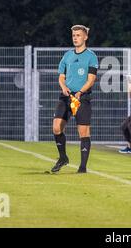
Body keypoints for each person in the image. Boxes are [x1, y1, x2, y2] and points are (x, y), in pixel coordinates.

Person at [51, 24, 98, 173]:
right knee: (56, 127)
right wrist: (64, 87)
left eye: (78, 35)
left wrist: (80, 92)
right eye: (73, 36)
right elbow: (61, 77)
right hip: (66, 97)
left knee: (83, 132)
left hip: (82, 98)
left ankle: (82, 167)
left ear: (85, 37)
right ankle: (63, 157)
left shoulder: (91, 56)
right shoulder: (67, 55)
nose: (75, 38)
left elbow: (91, 79)